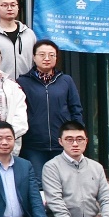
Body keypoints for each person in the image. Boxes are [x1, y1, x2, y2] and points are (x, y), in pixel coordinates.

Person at [17, 40, 84, 175]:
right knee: (38, 181)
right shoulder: (23, 82)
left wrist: (76, 135)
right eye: (42, 55)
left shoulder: (66, 80)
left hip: (62, 143)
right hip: (33, 144)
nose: (47, 58)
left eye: (51, 55)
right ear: (34, 57)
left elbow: (76, 109)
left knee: (64, 179)